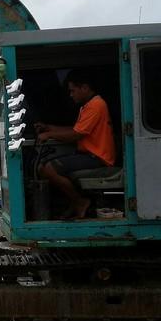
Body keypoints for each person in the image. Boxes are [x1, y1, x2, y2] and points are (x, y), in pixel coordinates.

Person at [35, 69, 115, 219]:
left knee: (46, 168)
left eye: (73, 91)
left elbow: (76, 135)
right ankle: (75, 201)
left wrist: (49, 134)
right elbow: (74, 129)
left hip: (96, 157)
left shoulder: (96, 105)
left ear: (84, 88)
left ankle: (79, 201)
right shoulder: (88, 105)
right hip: (88, 155)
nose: (71, 95)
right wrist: (49, 127)